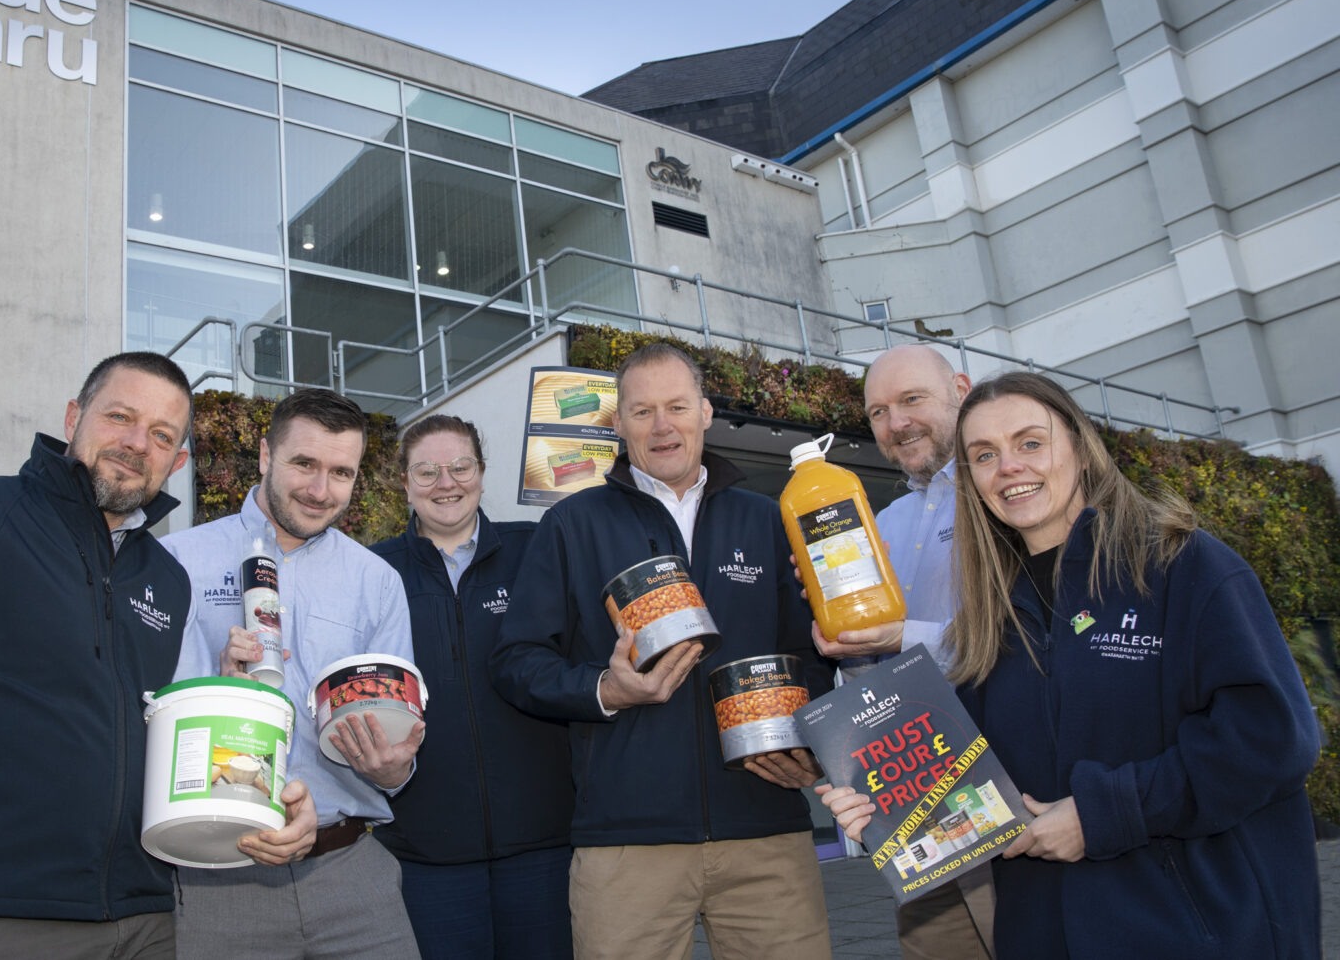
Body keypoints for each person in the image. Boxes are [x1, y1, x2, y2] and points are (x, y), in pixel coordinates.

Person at [0, 351, 317, 960]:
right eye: (119, 417)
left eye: (161, 435)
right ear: (74, 417)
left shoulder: (167, 579)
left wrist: (265, 802)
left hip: (146, 917)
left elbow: (174, 745)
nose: (137, 444)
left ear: (177, 462)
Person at [820, 371, 1321, 959]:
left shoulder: (1182, 566)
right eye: (985, 455)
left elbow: (1269, 739)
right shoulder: (989, 616)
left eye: (1031, 443)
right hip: (1043, 930)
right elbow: (980, 780)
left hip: (1199, 926)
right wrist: (886, 807)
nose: (1009, 467)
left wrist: (1102, 815)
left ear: (1080, 449)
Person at [492, 342, 836, 960]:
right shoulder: (572, 524)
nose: (661, 426)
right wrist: (604, 690)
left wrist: (809, 742)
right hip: (626, 843)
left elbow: (811, 652)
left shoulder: (768, 518)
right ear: (618, 425)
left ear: (705, 412)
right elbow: (517, 661)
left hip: (765, 831)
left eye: (676, 406)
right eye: (642, 411)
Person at [162, 387, 423, 960]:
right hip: (220, 877)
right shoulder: (177, 562)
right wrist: (221, 691)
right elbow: (154, 717)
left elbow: (395, 741)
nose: (319, 490)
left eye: (341, 472)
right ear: (265, 455)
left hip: (351, 873)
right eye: (304, 463)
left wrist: (394, 768)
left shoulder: (376, 580)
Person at [813, 343, 994, 960]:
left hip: (1009, 782)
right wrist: (842, 641)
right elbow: (870, 666)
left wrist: (898, 638)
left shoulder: (1002, 493)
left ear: (961, 390)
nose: (897, 423)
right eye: (878, 413)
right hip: (916, 794)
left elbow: (1013, 637)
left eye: (912, 399)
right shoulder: (882, 524)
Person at [369, 415, 572, 959]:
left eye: (460, 467)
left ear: (482, 472)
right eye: (427, 471)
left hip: (544, 842)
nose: (446, 483)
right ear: (404, 481)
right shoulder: (375, 571)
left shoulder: (536, 548)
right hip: (426, 851)